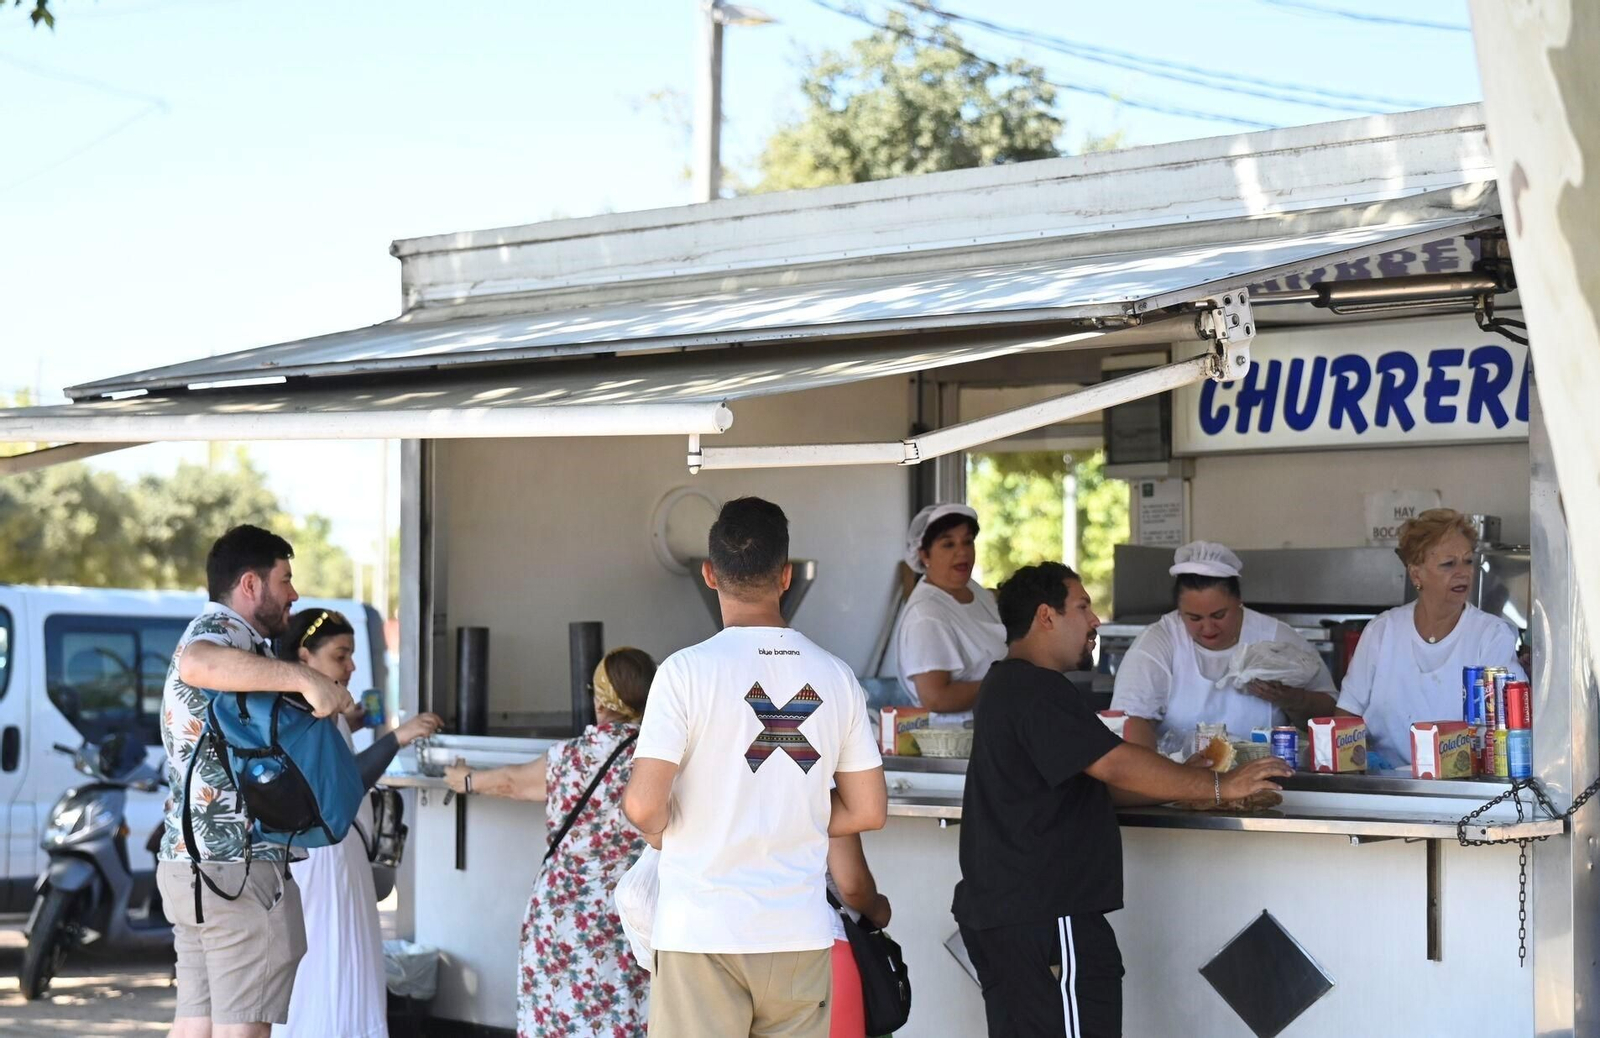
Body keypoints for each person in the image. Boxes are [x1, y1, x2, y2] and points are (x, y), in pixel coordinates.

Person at [954, 562, 1290, 1038]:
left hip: (1016, 914)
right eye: (1083, 607)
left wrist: (1181, 781)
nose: (1094, 621)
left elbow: (1094, 785)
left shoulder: (1010, 685)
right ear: (1046, 616)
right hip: (1046, 916)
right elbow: (1113, 763)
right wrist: (1222, 786)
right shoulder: (1035, 688)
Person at [623, 497, 888, 1038]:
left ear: (709, 575)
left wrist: (669, 830)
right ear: (786, 576)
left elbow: (643, 804)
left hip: (703, 932)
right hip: (798, 933)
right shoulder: (836, 676)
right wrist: (795, 813)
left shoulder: (685, 672)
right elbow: (869, 809)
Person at [155, 525, 356, 1038]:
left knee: (195, 1023)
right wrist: (306, 678)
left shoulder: (230, 642)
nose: (294, 594)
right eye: (285, 579)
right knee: (242, 1028)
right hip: (237, 872)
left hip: (192, 865)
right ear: (250, 584)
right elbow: (199, 664)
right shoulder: (218, 638)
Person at [445, 647, 658, 1038]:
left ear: (597, 699)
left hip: (563, 919)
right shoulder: (659, 761)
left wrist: (465, 780)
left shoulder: (570, 758)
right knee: (625, 1017)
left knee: (560, 1018)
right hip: (634, 916)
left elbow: (511, 781)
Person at [273, 609, 442, 1038]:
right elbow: (345, 783)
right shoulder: (304, 712)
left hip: (339, 856)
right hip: (325, 859)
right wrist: (396, 738)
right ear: (304, 657)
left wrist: (351, 724)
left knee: (348, 958)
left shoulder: (317, 711)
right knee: (330, 962)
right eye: (340, 656)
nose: (350, 667)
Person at [1337, 509, 1527, 766]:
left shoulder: (1491, 636)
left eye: (1468, 561)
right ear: (1416, 574)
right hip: (1385, 787)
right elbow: (1346, 715)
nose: (1463, 572)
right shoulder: (1383, 632)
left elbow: (1506, 728)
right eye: (1449, 564)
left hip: (1464, 788)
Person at [1112, 540, 1337, 755]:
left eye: (1219, 615)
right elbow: (1129, 721)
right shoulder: (1159, 643)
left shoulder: (1276, 638)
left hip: (1267, 781)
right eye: (1194, 618)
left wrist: (1293, 699)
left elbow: (1333, 714)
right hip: (1179, 781)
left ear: (1239, 602)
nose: (1208, 627)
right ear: (1179, 611)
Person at [894, 503, 1006, 724]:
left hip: (994, 728)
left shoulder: (975, 591)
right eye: (948, 544)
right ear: (924, 554)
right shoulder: (926, 613)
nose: (962, 551)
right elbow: (936, 698)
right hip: (955, 740)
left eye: (968, 541)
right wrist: (1008, 684)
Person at [825, 835, 892, 1038]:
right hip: (828, 944)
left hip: (735, 945)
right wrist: (878, 910)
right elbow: (852, 885)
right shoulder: (826, 804)